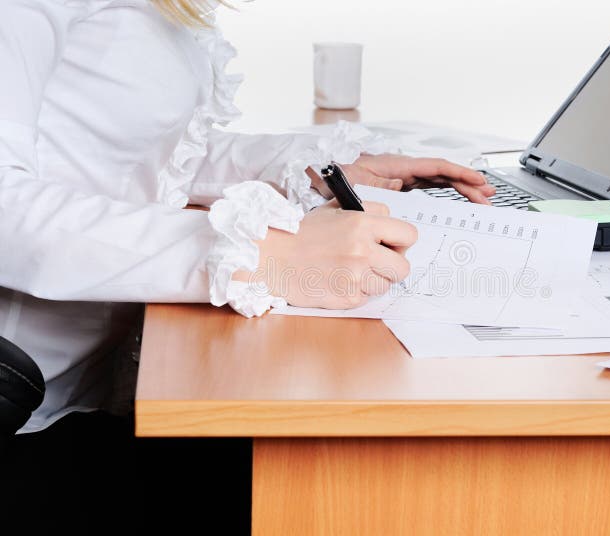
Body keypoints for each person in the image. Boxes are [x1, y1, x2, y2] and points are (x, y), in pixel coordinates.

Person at [0, 0, 495, 531]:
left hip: (91, 394)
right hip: (29, 421)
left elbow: (147, 147)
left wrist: (323, 173)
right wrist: (262, 254)